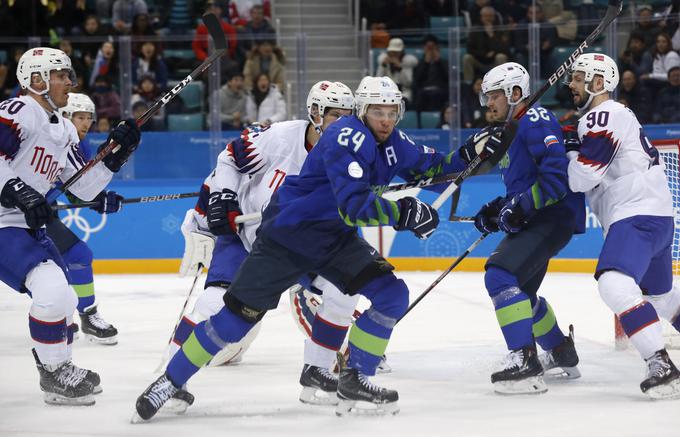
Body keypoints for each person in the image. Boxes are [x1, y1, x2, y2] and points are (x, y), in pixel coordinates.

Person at [132, 76, 499, 420]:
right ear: (361, 112)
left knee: (390, 294)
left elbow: (435, 170)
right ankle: (170, 380)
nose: (385, 121)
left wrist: (474, 154)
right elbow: (354, 205)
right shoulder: (344, 136)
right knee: (233, 319)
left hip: (334, 240)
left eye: (391, 113)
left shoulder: (394, 144)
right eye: (377, 112)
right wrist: (403, 212)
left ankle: (354, 377)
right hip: (287, 237)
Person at [167, 81, 357, 412]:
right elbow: (228, 158)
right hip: (245, 238)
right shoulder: (281, 137)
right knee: (214, 306)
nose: (342, 125)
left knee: (343, 290)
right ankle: (171, 380)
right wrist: (221, 200)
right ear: (315, 113)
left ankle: (318, 372)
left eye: (348, 117)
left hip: (297, 245)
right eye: (335, 116)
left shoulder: (348, 154)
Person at [0, 47, 140, 405]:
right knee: (50, 291)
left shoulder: (63, 128)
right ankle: (54, 373)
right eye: (60, 75)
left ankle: (57, 371)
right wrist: (18, 190)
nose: (68, 81)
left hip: (22, 226)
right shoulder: (19, 111)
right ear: (36, 79)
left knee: (63, 297)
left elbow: (82, 187)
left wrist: (116, 154)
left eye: (66, 75)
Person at [566, 53, 680, 399]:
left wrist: (570, 150)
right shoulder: (613, 115)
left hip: (636, 214)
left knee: (614, 284)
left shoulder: (603, 114)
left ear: (598, 83)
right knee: (660, 298)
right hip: (657, 216)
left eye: (578, 77)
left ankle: (660, 363)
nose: (571, 83)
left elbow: (581, 177)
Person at [469, 62, 585, 394]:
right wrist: (495, 210)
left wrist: (520, 206)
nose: (488, 103)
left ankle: (524, 362)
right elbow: (523, 186)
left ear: (515, 93)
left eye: (493, 96)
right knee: (523, 293)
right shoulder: (511, 130)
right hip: (541, 217)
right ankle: (561, 350)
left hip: (551, 216)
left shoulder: (533, 118)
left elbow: (556, 177)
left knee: (499, 275)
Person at [46, 93, 123, 345]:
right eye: (80, 117)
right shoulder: (49, 137)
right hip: (15, 211)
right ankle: (60, 317)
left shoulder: (82, 145)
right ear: (65, 116)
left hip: (40, 213)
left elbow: (76, 190)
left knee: (77, 256)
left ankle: (83, 315)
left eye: (89, 118)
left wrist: (99, 199)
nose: (86, 123)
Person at [376, 38, 418, 106]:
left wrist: (400, 69)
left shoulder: (407, 61)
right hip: (386, 92)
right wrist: (383, 66)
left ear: (401, 52)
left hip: (403, 92)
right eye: (392, 51)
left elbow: (408, 83)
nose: (394, 54)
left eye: (396, 52)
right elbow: (377, 81)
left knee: (401, 102)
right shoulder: (384, 61)